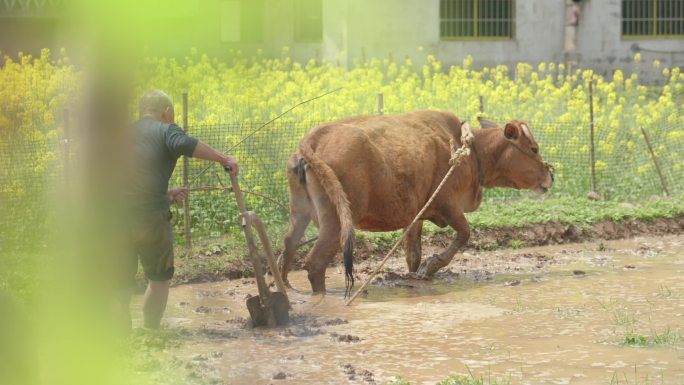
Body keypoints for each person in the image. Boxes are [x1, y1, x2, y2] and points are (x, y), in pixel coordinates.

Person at [123, 89, 238, 330]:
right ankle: (151, 332)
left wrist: (164, 195)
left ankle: (119, 341)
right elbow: (184, 143)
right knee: (158, 279)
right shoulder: (166, 129)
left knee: (118, 284)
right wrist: (223, 158)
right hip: (150, 219)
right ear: (167, 112)